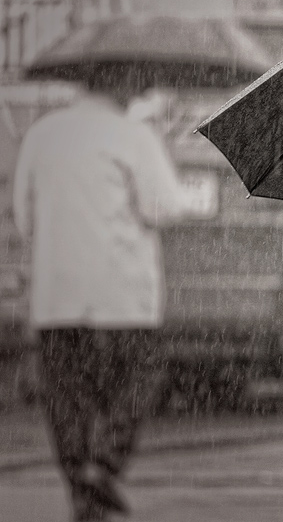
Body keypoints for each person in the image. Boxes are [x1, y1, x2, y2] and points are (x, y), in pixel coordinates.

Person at [13, 75, 186, 521]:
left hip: (57, 297)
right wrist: (161, 147)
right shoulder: (133, 136)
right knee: (137, 378)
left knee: (68, 396)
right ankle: (103, 464)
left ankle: (81, 485)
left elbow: (22, 217)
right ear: (121, 83)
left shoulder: (42, 135)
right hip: (122, 298)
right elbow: (165, 208)